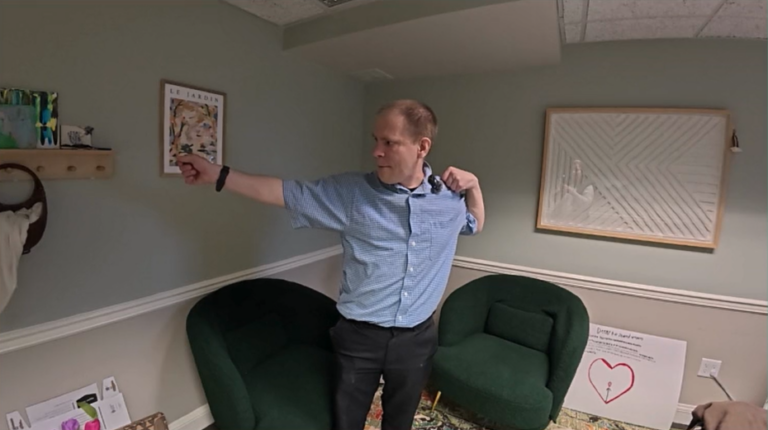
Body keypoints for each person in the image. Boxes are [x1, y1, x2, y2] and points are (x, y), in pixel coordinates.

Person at [177, 99, 485, 430]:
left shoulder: (447, 200)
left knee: (400, 422)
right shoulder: (351, 193)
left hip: (417, 339)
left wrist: (475, 186)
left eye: (389, 142)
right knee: (345, 422)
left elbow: (473, 224)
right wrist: (218, 174)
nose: (376, 151)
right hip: (359, 338)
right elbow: (284, 192)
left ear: (422, 146)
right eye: (375, 140)